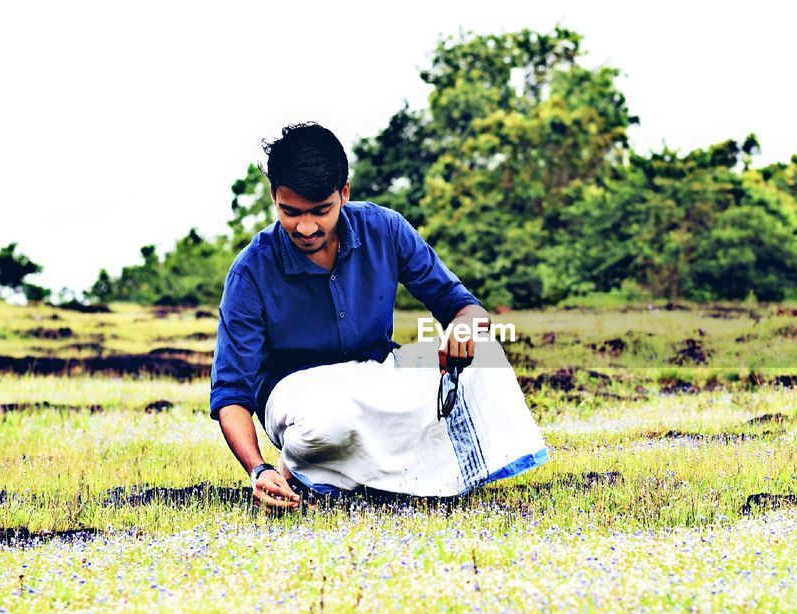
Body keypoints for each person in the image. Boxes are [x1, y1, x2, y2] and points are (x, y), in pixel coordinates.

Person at [209, 122, 546, 512]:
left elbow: (460, 304)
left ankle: (418, 480)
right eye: (290, 212)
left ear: (344, 193)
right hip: (297, 396)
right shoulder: (251, 270)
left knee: (485, 355)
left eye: (321, 211)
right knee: (325, 424)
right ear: (273, 197)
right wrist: (257, 469)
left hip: (378, 371)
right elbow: (232, 393)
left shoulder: (384, 228)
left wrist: (463, 327)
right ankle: (292, 471)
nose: (305, 227)